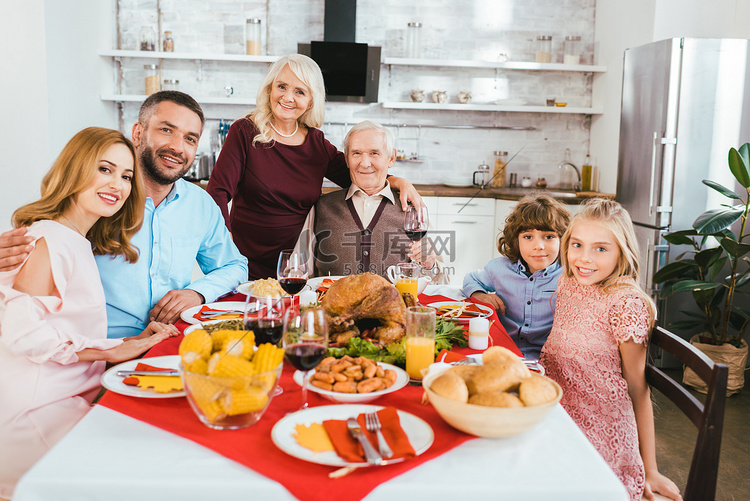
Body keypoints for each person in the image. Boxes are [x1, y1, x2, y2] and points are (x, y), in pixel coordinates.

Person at [0, 127, 179, 498]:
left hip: (67, 400)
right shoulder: (49, 238)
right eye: (104, 169)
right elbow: (23, 334)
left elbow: (59, 327)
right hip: (38, 415)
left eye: (127, 175)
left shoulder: (74, 241)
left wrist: (127, 342)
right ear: (74, 170)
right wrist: (108, 351)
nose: (118, 183)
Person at [0, 91, 249, 338]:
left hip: (165, 340)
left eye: (190, 139)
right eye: (166, 130)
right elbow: (45, 250)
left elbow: (234, 265)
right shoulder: (103, 198)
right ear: (138, 133)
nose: (177, 147)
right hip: (94, 349)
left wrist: (197, 293)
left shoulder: (199, 204)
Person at [206, 54, 422, 279]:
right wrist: (225, 240)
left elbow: (360, 173)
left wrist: (398, 181)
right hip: (243, 260)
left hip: (295, 268)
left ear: (311, 101)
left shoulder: (316, 143)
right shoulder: (245, 132)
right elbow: (217, 192)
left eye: (300, 91)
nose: (288, 97)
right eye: (282, 86)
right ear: (270, 89)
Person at [539, 199, 682, 501]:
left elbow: (637, 388)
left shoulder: (625, 305)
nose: (584, 259)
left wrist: (649, 468)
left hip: (600, 436)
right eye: (577, 245)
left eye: (600, 248)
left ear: (621, 252)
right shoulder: (568, 284)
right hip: (557, 417)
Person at [295, 120, 439, 277]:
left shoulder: (412, 207)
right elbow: (297, 271)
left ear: (391, 158)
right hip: (331, 301)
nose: (364, 163)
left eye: (374, 153)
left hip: (394, 302)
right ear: (346, 159)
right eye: (356, 153)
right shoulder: (322, 207)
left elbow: (439, 280)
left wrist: (429, 264)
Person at [461, 193, 570, 358]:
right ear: (515, 240)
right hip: (501, 352)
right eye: (528, 237)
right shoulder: (499, 268)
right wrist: (479, 294)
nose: (538, 246)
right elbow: (471, 279)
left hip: (546, 360)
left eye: (549, 237)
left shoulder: (569, 277)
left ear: (562, 239)